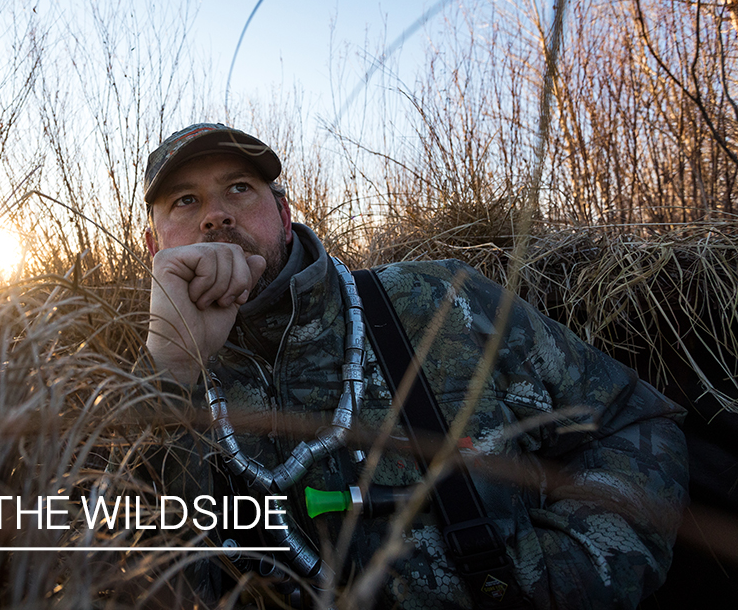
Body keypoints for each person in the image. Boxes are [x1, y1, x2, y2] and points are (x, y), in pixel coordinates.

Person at [143, 123, 689, 609]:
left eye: (240, 187)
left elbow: (630, 421)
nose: (216, 214)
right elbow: (110, 560)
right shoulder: (134, 392)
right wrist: (169, 366)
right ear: (154, 245)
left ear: (284, 215)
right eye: (185, 201)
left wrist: (563, 576)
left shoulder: (441, 300)